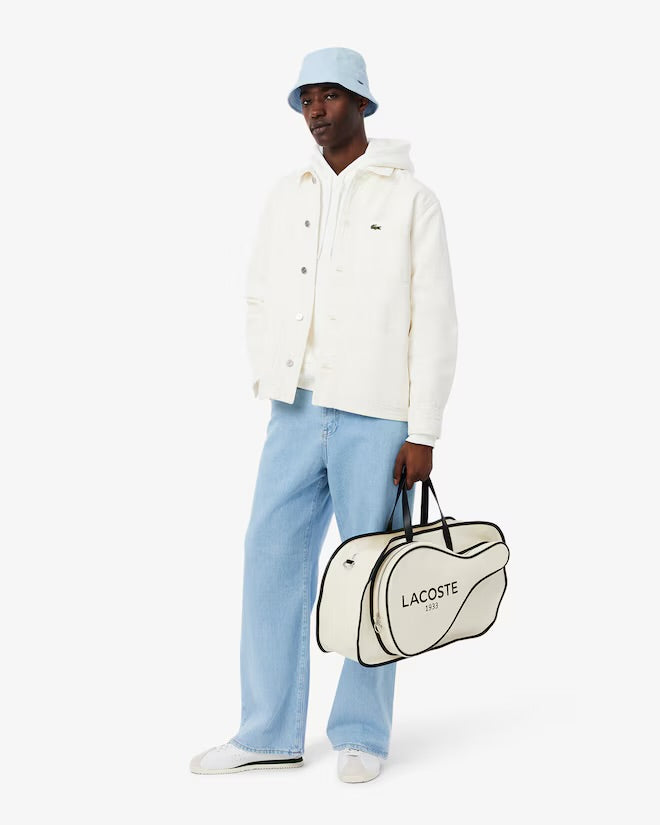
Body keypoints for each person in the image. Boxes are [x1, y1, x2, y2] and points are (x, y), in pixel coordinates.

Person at [190, 46, 458, 783]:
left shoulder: (412, 200)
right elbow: (259, 290)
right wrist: (270, 369)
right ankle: (268, 730)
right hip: (296, 410)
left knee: (370, 572)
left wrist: (423, 431)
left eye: (331, 95)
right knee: (269, 557)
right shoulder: (288, 194)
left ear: (363, 103)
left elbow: (435, 322)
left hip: (377, 416)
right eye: (306, 98)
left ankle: (362, 732)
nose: (316, 110)